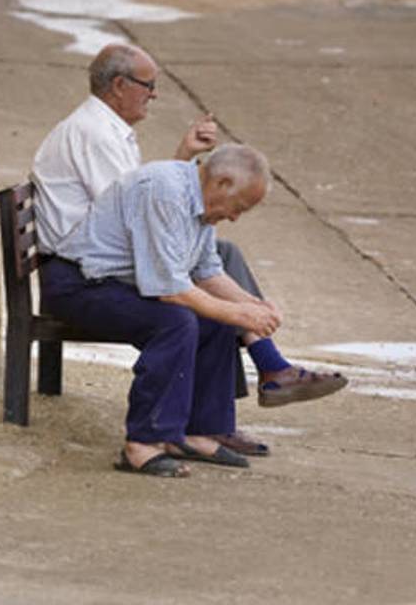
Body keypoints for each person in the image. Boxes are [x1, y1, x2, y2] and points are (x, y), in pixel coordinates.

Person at [31, 43, 346, 435]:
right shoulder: (94, 134)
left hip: (103, 256)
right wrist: (240, 312)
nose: (154, 94)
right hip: (84, 268)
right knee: (193, 304)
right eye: (148, 85)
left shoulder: (109, 130)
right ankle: (263, 367)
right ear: (118, 85)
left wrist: (186, 157)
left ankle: (232, 402)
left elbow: (145, 203)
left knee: (215, 261)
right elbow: (131, 210)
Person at [42, 145, 292, 477]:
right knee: (176, 322)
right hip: (79, 285)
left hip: (114, 284)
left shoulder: (198, 198)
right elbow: (170, 289)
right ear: (222, 183)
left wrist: (252, 305)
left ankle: (198, 432)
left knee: (215, 318)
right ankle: (143, 444)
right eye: (239, 207)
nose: (234, 217)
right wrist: (240, 316)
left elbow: (207, 271)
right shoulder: (165, 192)